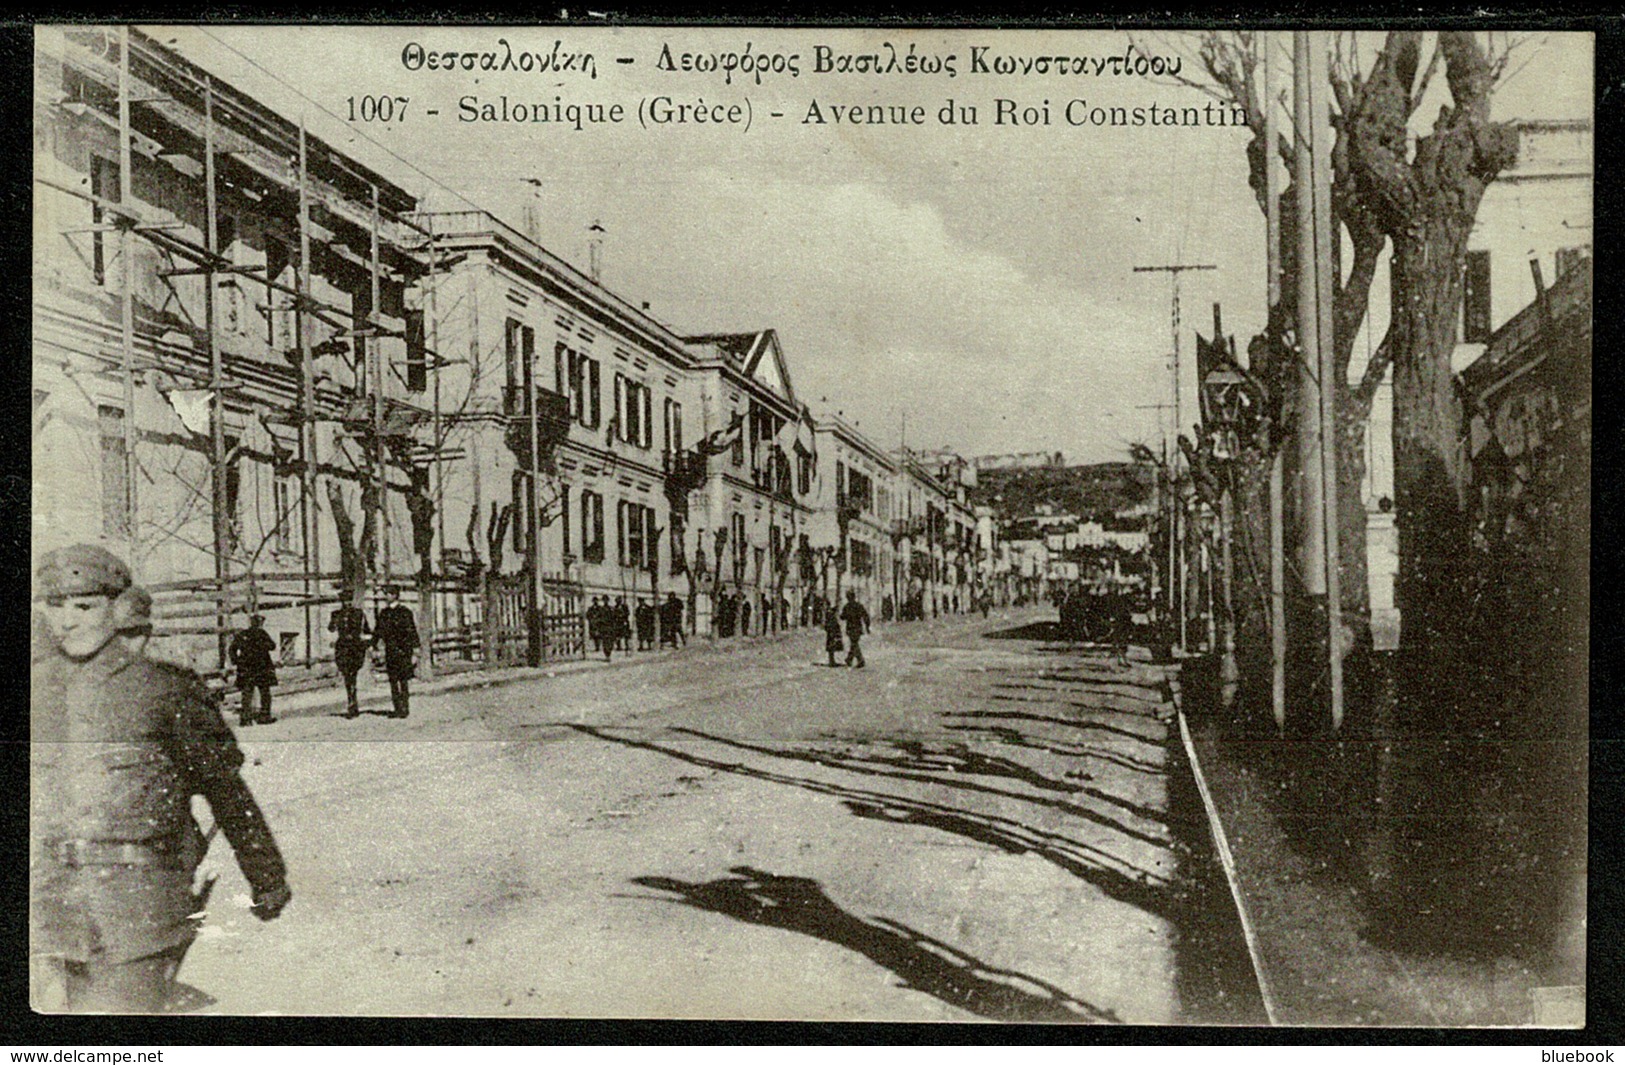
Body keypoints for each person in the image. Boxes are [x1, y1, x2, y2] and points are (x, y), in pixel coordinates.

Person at [31, 545, 291, 1013]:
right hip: (50, 905)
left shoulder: (163, 689)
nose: (67, 621)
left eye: (84, 606)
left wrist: (266, 875)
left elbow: (226, 792)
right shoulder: (34, 691)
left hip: (138, 908)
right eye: (56, 605)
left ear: (118, 608)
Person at [372, 587, 420, 719]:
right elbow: (378, 631)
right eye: (386, 594)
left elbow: (412, 631)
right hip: (390, 650)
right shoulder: (384, 613)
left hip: (404, 650)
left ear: (395, 595)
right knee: (393, 680)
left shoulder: (405, 612)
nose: (386, 596)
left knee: (403, 680)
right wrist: (373, 644)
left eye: (388, 594)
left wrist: (415, 649)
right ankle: (396, 708)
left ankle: (405, 707)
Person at [228, 613, 277, 727]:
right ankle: (264, 716)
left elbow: (232, 649)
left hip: (247, 667)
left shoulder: (243, 634)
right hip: (261, 667)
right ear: (259, 623)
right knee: (264, 693)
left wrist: (236, 661)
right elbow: (272, 646)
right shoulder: (262, 634)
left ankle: (246, 719)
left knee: (247, 693)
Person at [329, 597, 372, 718]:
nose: (346, 603)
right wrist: (334, 620)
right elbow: (331, 629)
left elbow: (367, 630)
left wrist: (366, 643)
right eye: (344, 600)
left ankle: (352, 701)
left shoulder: (359, 614)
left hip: (355, 647)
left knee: (353, 674)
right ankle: (352, 702)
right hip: (342, 648)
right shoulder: (336, 613)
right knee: (347, 675)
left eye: (348, 600)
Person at [841, 589, 871, 669]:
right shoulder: (859, 606)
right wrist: (867, 626)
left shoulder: (846, 606)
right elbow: (865, 616)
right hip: (857, 628)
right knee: (854, 643)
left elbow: (842, 617)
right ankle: (853, 660)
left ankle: (855, 660)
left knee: (854, 643)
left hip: (850, 628)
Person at [823, 603, 845, 667]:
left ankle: (832, 660)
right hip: (832, 632)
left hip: (831, 632)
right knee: (831, 646)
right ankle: (831, 661)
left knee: (831, 647)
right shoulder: (830, 615)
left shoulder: (829, 614)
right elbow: (830, 624)